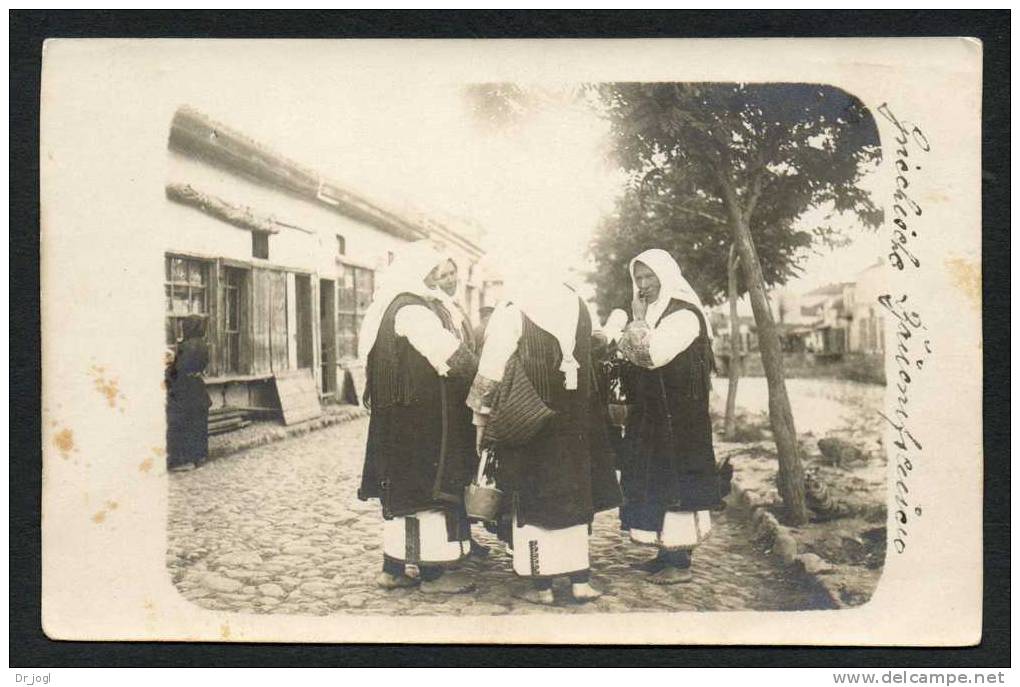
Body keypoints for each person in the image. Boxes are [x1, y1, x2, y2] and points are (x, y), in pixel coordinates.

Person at [467, 274, 621, 605]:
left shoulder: (514, 311)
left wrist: (479, 418)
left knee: (533, 500)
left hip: (532, 423)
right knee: (575, 495)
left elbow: (491, 371)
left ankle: (542, 587)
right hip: (576, 422)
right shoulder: (579, 307)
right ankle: (580, 581)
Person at [357, 241, 479, 594]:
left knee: (401, 491)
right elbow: (451, 356)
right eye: (430, 273)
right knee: (424, 490)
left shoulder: (391, 306)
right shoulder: (412, 309)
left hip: (400, 419)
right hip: (418, 422)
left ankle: (393, 568)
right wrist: (483, 376)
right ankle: (433, 575)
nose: (435, 280)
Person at [617, 249, 720, 585]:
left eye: (649, 277)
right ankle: (665, 554)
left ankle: (679, 562)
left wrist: (637, 320)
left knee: (677, 485)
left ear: (666, 277)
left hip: (680, 419)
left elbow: (650, 356)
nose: (643, 285)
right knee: (657, 481)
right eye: (639, 278)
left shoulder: (684, 315)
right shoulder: (655, 314)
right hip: (657, 416)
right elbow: (626, 352)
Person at [166, 314, 211, 471]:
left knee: (185, 422)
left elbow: (178, 369)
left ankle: (186, 460)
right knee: (199, 422)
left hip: (185, 388)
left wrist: (168, 371)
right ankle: (200, 457)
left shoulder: (186, 346)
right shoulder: (203, 345)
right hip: (198, 387)